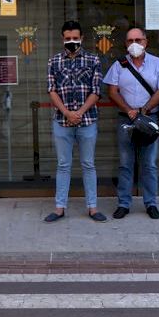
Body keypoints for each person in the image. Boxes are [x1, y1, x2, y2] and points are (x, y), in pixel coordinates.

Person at [104, 27, 159, 219]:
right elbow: (112, 91)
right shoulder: (119, 64)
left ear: (145, 42)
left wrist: (145, 110)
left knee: (149, 164)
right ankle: (123, 204)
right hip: (126, 119)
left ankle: (151, 203)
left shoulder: (157, 63)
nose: (134, 44)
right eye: (130, 40)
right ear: (125, 43)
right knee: (125, 164)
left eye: (138, 40)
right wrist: (128, 110)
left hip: (150, 118)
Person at [44, 20, 105, 223]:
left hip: (88, 120)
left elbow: (96, 91)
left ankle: (93, 208)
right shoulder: (54, 61)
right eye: (68, 38)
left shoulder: (93, 60)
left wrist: (78, 113)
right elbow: (52, 90)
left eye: (75, 38)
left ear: (82, 38)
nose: (72, 41)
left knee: (88, 164)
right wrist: (67, 113)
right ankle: (59, 208)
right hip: (61, 122)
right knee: (63, 165)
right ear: (62, 39)